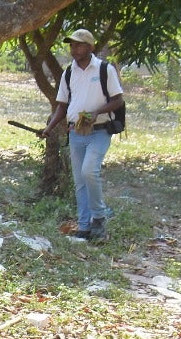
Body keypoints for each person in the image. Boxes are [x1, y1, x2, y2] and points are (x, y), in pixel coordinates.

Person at [39, 28, 125, 243]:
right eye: (72, 45)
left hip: (99, 131)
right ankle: (85, 226)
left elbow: (118, 100)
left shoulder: (104, 69)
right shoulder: (69, 72)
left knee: (89, 172)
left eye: (79, 45)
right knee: (79, 181)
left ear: (90, 47)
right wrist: (49, 129)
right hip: (76, 132)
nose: (74, 49)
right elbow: (62, 105)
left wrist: (97, 113)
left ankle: (99, 219)